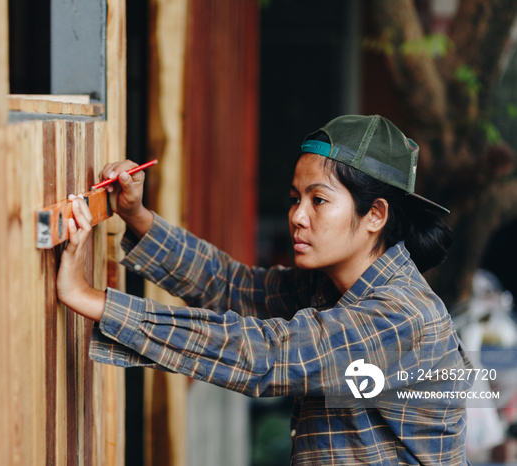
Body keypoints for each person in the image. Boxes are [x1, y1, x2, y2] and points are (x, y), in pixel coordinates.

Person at [56, 114, 473, 465]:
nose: (297, 216)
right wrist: (136, 214)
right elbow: (232, 286)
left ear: (375, 215)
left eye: (319, 201)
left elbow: (267, 355)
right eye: (295, 198)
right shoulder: (331, 287)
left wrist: (90, 299)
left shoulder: (399, 316)